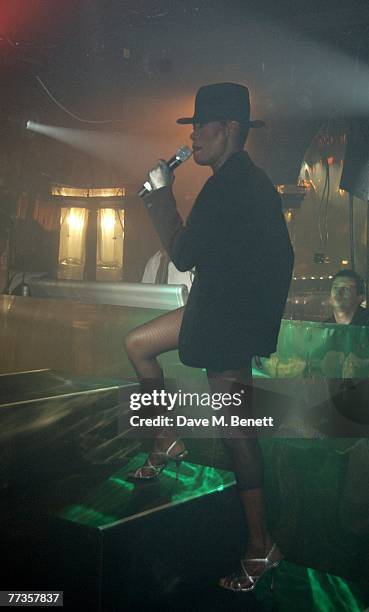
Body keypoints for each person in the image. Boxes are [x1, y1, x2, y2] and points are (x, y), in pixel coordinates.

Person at [124, 82, 294, 591]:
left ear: (231, 130)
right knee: (139, 345)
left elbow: (183, 253)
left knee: (236, 434)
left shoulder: (230, 185)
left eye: (202, 126)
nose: (193, 134)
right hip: (215, 315)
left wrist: (159, 198)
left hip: (224, 326)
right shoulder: (246, 182)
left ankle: (262, 547)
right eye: (192, 126)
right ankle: (168, 437)